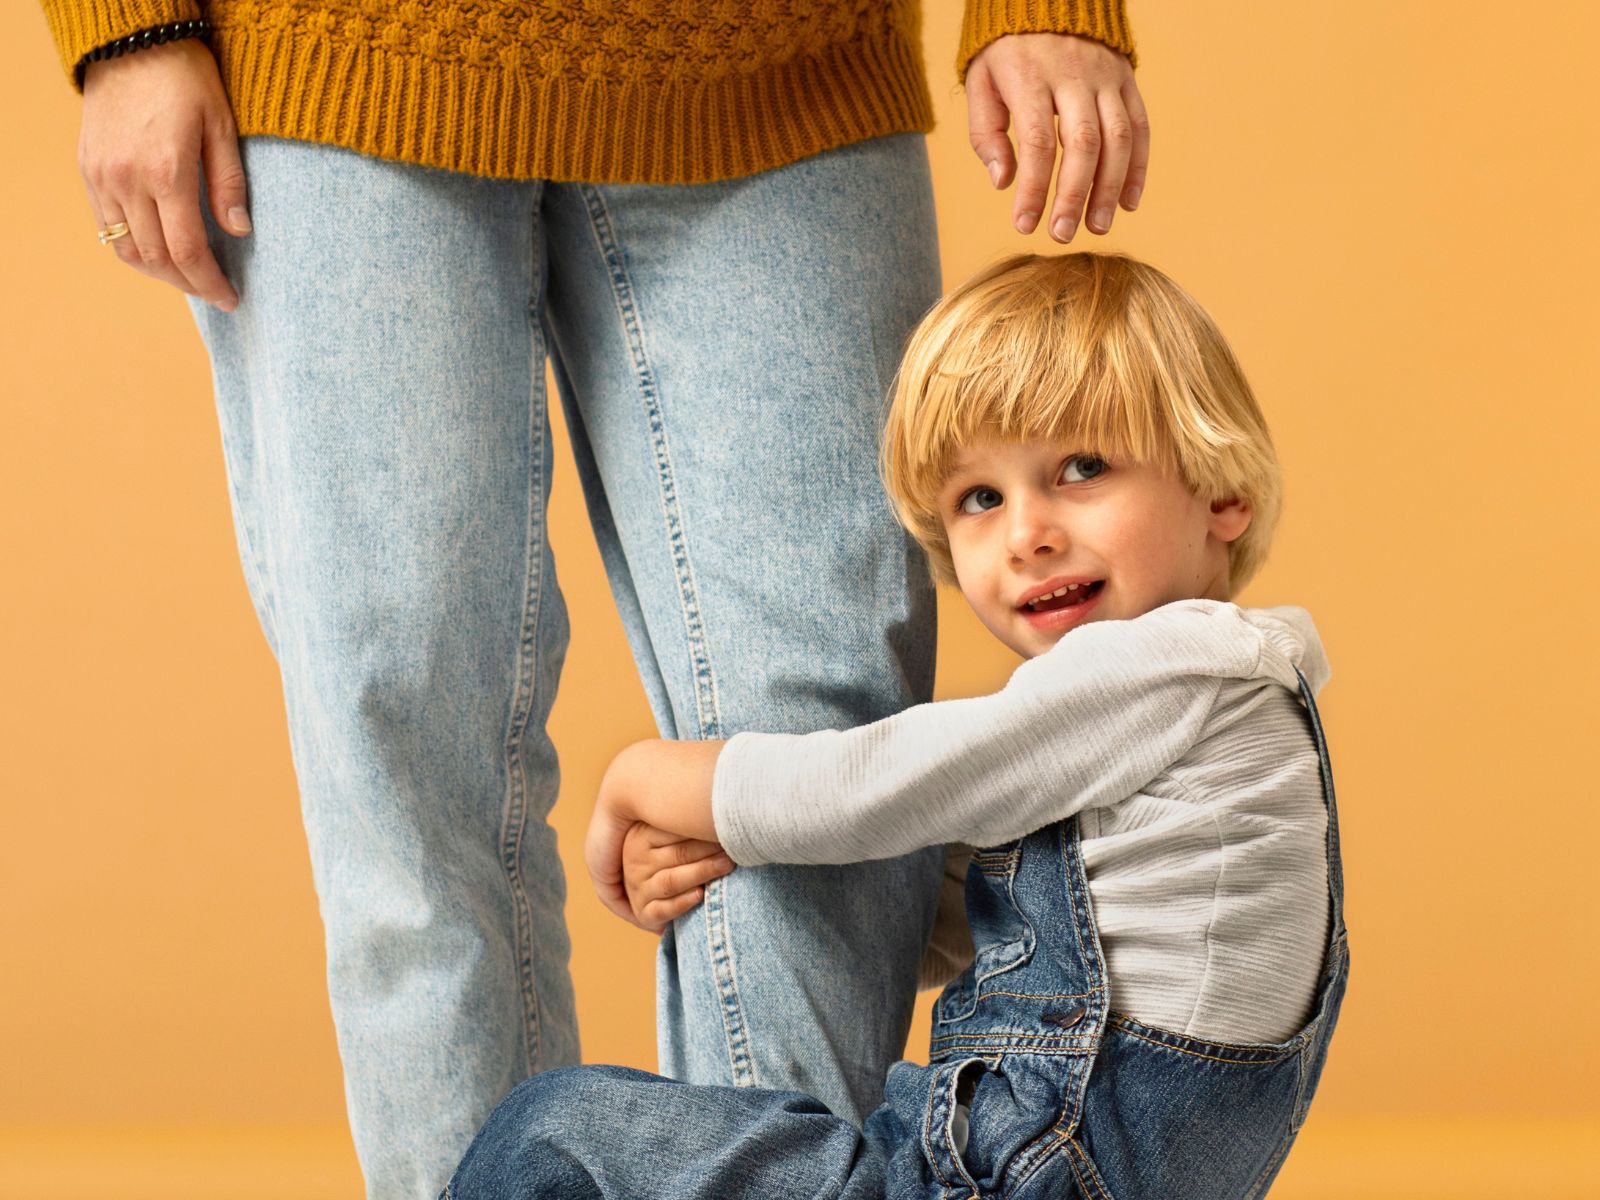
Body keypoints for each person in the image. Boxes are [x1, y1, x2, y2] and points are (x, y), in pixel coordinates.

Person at [41, 2, 1153, 1196]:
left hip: (781, 49)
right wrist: (126, 30)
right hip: (329, 50)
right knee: (409, 742)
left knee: (817, 745)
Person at [442, 251, 1349, 1199]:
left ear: (1221, 492)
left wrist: (646, 779)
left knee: (556, 1132)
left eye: (1081, 468)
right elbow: (1000, 924)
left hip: (1007, 1177)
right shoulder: (1228, 701)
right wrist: (748, 876)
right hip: (1051, 1173)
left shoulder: (1167, 665)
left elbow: (879, 785)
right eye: (979, 498)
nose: (1025, 532)